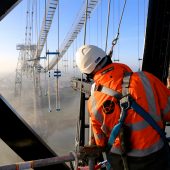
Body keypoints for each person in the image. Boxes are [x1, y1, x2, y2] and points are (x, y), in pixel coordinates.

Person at [75, 44, 170, 170]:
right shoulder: (147, 79)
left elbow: (100, 142)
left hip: (122, 163)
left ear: (88, 74)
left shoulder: (93, 102)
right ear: (107, 58)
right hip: (157, 159)